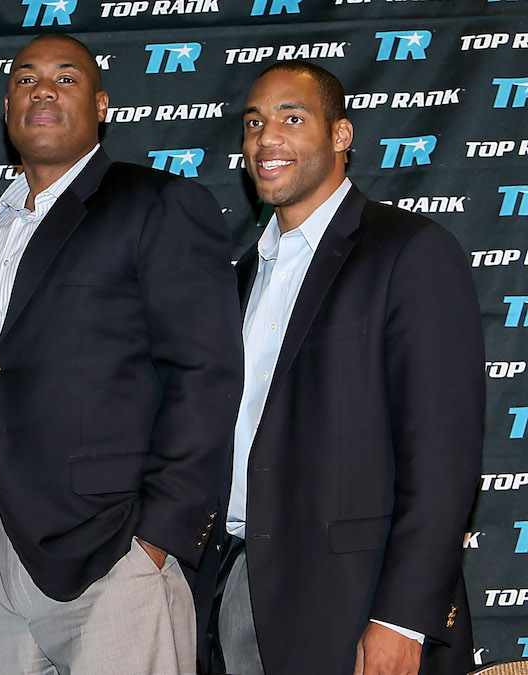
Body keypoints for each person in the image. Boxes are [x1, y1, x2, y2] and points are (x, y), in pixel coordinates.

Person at [0, 33, 243, 674]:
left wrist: (159, 540)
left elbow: (204, 376)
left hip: (115, 554)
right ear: (6, 104)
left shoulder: (157, 204)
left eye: (66, 78)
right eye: (25, 77)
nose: (42, 88)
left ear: (102, 105)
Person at [195, 61, 483, 675]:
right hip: (234, 585)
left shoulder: (409, 251)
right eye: (253, 123)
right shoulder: (238, 277)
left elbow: (444, 458)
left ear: (340, 135)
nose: (266, 138)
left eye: (291, 119)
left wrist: (402, 618)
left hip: (356, 598)